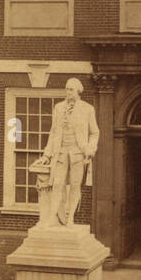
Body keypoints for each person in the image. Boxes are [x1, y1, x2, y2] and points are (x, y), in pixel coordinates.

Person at [41, 77, 99, 227]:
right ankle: (52, 216)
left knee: (75, 185)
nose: (68, 92)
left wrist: (90, 149)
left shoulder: (87, 109)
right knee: (57, 184)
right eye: (67, 89)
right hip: (60, 152)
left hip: (78, 153)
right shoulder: (59, 108)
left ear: (78, 91)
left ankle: (70, 217)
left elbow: (94, 132)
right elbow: (53, 132)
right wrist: (47, 154)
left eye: (71, 89)